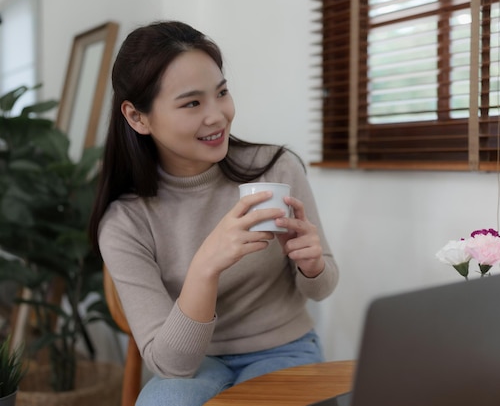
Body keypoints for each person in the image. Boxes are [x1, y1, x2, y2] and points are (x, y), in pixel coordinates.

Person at [88, 20, 339, 406]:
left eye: (221, 93)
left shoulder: (275, 169)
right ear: (138, 117)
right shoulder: (125, 222)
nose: (217, 116)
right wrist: (206, 264)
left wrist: (312, 265)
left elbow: (321, 290)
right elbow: (172, 364)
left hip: (283, 349)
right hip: (194, 363)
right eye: (192, 103)